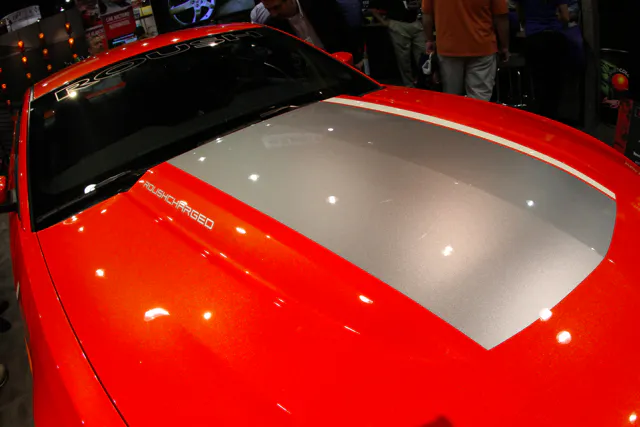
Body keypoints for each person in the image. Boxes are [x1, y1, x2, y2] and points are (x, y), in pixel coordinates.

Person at [422, 0, 510, 101]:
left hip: (448, 47)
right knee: (480, 98)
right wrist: (504, 46)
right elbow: (501, 17)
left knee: (451, 98)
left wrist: (429, 39)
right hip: (482, 46)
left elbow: (427, 15)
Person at [515, 0, 570, 120]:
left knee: (537, 79)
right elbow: (566, 17)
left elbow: (520, 14)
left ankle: (539, 117)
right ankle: (552, 117)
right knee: (555, 81)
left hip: (534, 37)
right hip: (554, 37)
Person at [261, 0, 356, 56]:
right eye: (268, 9)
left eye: (277, 7)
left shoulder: (320, 4)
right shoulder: (272, 26)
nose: (273, 14)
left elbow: (344, 30)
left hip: (339, 61)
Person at [370, 0, 425, 87]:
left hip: (415, 22)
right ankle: (409, 85)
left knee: (423, 55)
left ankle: (424, 83)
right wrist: (383, 21)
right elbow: (373, 8)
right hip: (398, 24)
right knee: (403, 59)